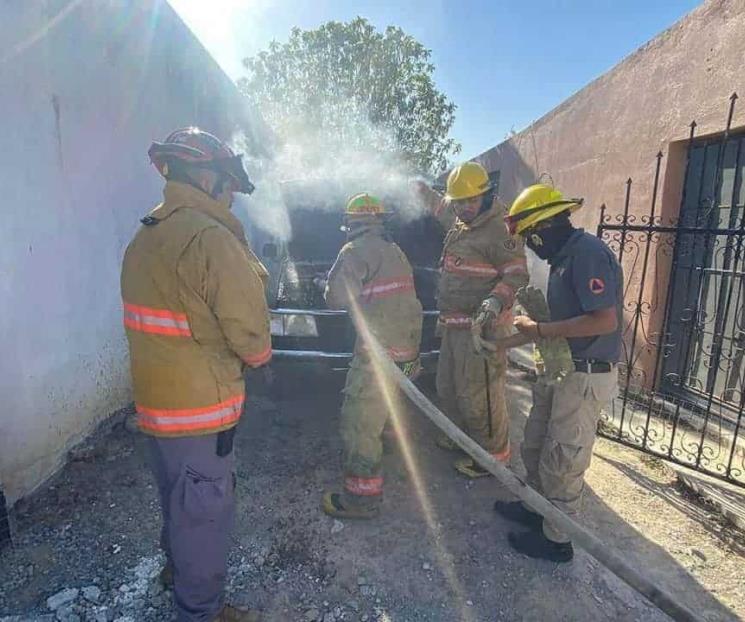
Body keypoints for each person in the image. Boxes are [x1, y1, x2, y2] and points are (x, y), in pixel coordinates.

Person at [121, 127, 270, 621]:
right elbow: (251, 336)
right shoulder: (211, 237)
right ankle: (201, 610)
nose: (231, 197)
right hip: (201, 414)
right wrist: (259, 358)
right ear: (207, 178)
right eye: (228, 185)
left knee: (176, 500)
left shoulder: (146, 234)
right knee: (205, 516)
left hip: (155, 408)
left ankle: (175, 571)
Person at [493, 183, 623, 563]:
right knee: (535, 443)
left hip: (584, 375)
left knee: (564, 458)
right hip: (562, 368)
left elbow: (604, 319)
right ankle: (536, 509)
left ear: (542, 230)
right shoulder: (563, 259)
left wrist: (540, 331)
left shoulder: (587, 255)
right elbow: (559, 322)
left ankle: (557, 541)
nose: (531, 248)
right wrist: (502, 344)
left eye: (530, 239)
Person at [413, 162, 529, 478]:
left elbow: (517, 274)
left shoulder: (500, 229)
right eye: (458, 201)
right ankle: (461, 438)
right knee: (449, 385)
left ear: (486, 197)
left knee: (482, 393)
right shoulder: (465, 221)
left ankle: (492, 458)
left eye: (470, 201)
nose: (463, 208)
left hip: (484, 330)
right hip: (455, 325)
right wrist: (421, 190)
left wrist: (493, 302)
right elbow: (442, 208)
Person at [320, 193, 423, 519]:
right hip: (407, 349)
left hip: (378, 353)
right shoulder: (395, 250)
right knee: (390, 405)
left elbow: (335, 299)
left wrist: (327, 281)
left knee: (359, 422)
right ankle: (389, 446)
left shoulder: (353, 251)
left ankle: (362, 499)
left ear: (350, 222)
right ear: (381, 219)